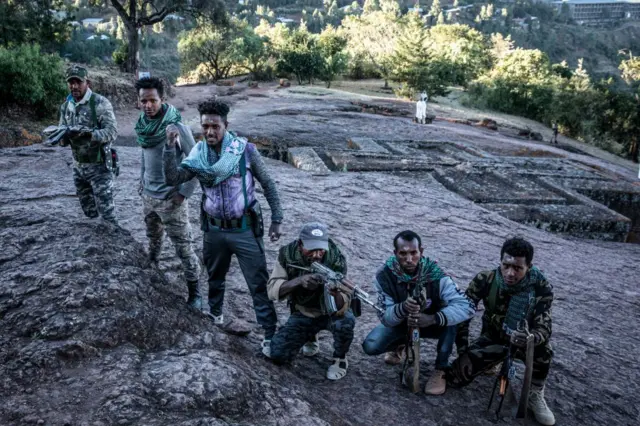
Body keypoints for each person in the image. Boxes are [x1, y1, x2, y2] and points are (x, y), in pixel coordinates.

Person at [162, 99, 283, 352]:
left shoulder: (244, 150)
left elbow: (268, 184)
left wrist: (277, 219)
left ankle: (270, 332)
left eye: (215, 126)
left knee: (257, 283)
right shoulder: (197, 154)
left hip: (245, 229)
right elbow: (173, 178)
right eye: (205, 126)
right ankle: (214, 315)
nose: (209, 132)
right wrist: (169, 147)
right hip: (214, 230)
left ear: (225, 125)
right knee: (215, 278)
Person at [448, 237, 555, 426]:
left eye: (518, 268)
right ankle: (493, 362)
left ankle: (535, 392)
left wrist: (531, 337)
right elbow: (463, 313)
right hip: (493, 338)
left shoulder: (541, 287)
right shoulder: (485, 279)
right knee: (455, 378)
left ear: (528, 266)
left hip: (524, 343)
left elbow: (544, 325)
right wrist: (463, 349)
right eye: (506, 265)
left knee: (543, 349)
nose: (510, 273)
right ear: (500, 261)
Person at [362, 230, 475, 395]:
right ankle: (401, 345)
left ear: (421, 251)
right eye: (403, 253)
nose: (409, 259)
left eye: (414, 253)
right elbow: (384, 316)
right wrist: (402, 308)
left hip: (433, 324)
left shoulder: (436, 275)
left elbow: (467, 306)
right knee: (370, 346)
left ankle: (441, 368)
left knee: (453, 319)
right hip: (402, 323)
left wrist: (434, 318)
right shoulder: (384, 276)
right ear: (395, 253)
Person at [134, 77, 201, 308]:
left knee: (183, 247)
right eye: (144, 100)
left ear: (162, 99)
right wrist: (142, 180)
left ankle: (195, 293)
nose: (148, 105)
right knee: (153, 239)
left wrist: (183, 194)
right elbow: (145, 154)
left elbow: (196, 163)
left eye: (153, 100)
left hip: (171, 201)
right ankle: (153, 268)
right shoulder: (142, 125)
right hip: (149, 197)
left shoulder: (176, 127)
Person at [266, 222, 356, 380]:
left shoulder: (336, 258)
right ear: (300, 244)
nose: (316, 255)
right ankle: (310, 336)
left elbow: (343, 304)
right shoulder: (287, 254)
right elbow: (272, 290)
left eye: (321, 249)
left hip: (330, 313)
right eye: (311, 249)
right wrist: (299, 281)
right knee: (278, 354)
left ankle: (340, 358)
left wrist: (335, 294)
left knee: (346, 321)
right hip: (303, 312)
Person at [58, 65, 118, 224]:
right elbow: (61, 138)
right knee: (89, 211)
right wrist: (61, 137)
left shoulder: (100, 103)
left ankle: (115, 244)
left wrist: (90, 135)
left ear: (87, 82)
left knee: (107, 215)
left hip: (99, 167)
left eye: (78, 82)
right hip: (78, 167)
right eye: (71, 82)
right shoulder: (66, 106)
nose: (74, 86)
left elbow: (112, 132)